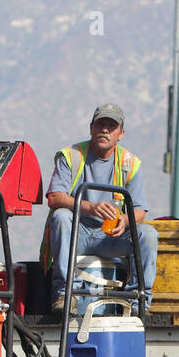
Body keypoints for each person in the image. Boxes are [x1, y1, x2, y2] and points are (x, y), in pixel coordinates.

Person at [43, 103, 157, 315]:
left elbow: (140, 211)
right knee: (61, 217)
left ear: (120, 133)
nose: (104, 130)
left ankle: (139, 302)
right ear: (91, 128)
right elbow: (54, 197)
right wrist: (90, 207)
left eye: (111, 126)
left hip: (110, 237)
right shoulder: (71, 156)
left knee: (147, 234)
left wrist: (125, 219)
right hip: (78, 233)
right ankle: (67, 295)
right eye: (100, 124)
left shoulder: (129, 163)